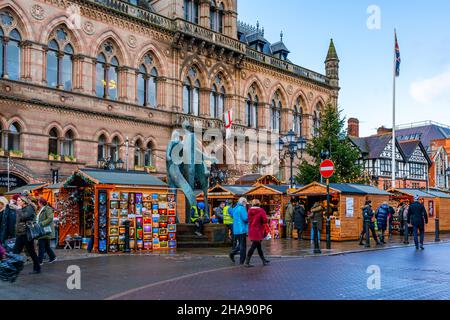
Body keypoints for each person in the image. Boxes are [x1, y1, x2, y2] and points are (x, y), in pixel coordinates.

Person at [13, 196, 41, 274]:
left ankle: (37, 268)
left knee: (31, 251)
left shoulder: (29, 208)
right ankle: (14, 268)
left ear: (24, 201)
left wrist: (18, 209)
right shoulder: (21, 208)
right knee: (15, 251)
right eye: (17, 200)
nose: (17, 202)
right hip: (20, 233)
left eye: (19, 200)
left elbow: (24, 217)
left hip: (26, 233)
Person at [245, 199, 270, 268]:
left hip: (251, 230)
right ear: (259, 204)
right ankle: (247, 262)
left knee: (258, 246)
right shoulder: (261, 210)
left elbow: (248, 219)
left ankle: (263, 260)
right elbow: (265, 220)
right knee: (254, 246)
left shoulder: (249, 210)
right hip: (258, 230)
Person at [36, 198, 57, 265]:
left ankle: (40, 261)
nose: (37, 203)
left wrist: (41, 223)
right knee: (46, 246)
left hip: (45, 230)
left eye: (38, 202)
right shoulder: (40, 209)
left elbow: (50, 218)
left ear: (41, 203)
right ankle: (53, 257)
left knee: (41, 245)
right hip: (42, 229)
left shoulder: (47, 209)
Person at [229, 198, 249, 265]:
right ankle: (242, 261)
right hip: (241, 229)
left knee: (240, 244)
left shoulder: (235, 208)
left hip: (236, 230)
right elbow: (245, 218)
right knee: (243, 246)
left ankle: (232, 253)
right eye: (245, 203)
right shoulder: (242, 208)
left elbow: (232, 215)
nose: (246, 204)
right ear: (243, 202)